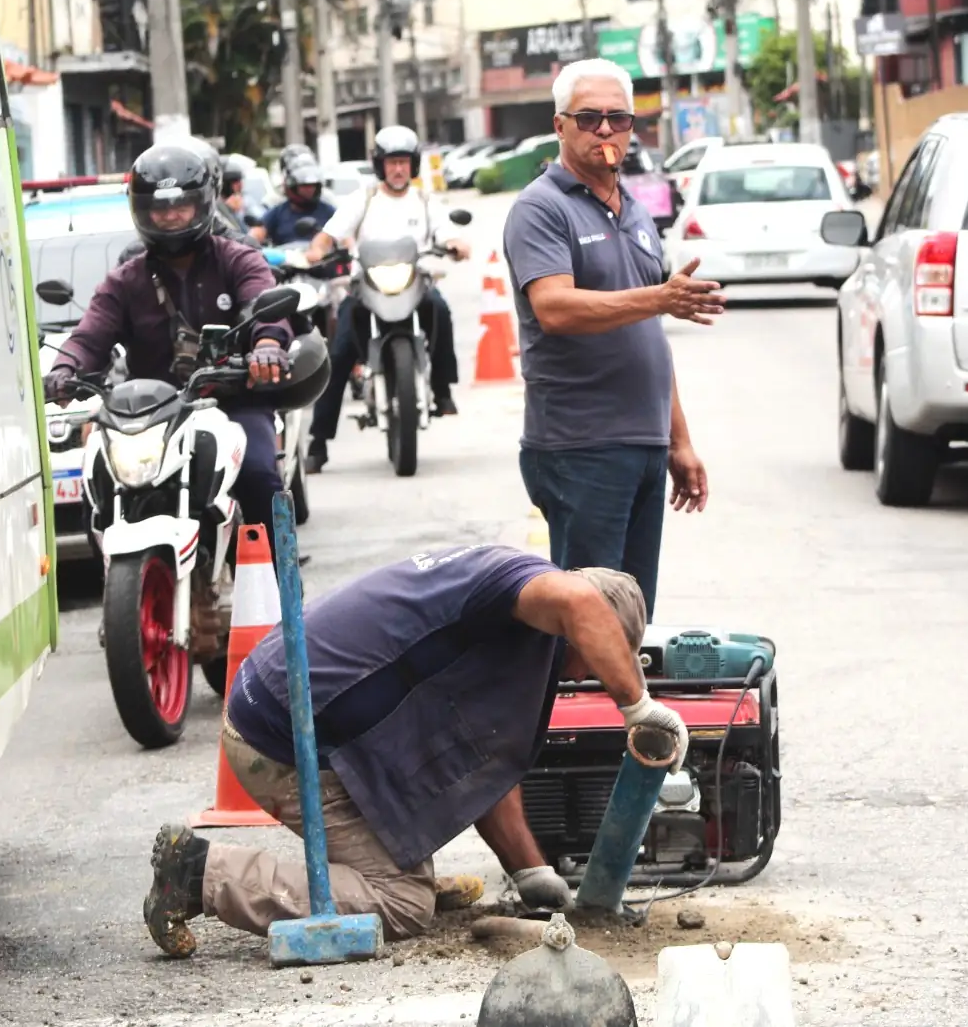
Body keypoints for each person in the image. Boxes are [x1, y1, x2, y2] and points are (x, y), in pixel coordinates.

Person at [140, 544, 690, 956]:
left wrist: (530, 873)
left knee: (409, 862)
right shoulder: (528, 588)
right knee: (403, 902)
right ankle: (201, 873)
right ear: (585, 630)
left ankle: (385, 867)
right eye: (598, 657)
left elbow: (481, 769)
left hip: (286, 705)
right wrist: (639, 706)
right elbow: (579, 601)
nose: (586, 676)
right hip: (283, 739)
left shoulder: (507, 615)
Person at [501, 58, 723, 619]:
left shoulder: (637, 213)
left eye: (618, 118)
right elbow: (554, 308)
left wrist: (678, 441)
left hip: (643, 444)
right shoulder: (541, 209)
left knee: (632, 615)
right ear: (559, 125)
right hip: (582, 447)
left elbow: (651, 336)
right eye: (589, 118)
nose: (605, 130)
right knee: (590, 619)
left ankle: (623, 686)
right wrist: (659, 299)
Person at [44, 143, 294, 545]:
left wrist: (266, 345)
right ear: (141, 211)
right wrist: (64, 369)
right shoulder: (126, 279)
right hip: (149, 416)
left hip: (233, 401)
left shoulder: (237, 258)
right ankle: (111, 569)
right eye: (160, 209)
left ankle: (281, 579)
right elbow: (91, 334)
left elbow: (263, 307)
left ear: (203, 204)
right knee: (102, 486)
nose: (171, 217)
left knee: (259, 473)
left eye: (181, 206)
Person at [301, 125, 471, 472]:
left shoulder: (426, 201)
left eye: (404, 162)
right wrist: (317, 249)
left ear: (413, 165)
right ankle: (318, 442)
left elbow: (447, 233)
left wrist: (455, 244)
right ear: (380, 165)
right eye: (392, 162)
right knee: (339, 352)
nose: (398, 169)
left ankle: (442, 390)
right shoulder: (363, 199)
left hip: (415, 283)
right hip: (366, 288)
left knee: (440, 309)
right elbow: (328, 235)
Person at [251, 158, 335, 246]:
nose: (310, 190)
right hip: (285, 254)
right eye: (304, 186)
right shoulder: (277, 213)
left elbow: (343, 238)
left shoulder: (329, 212)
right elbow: (257, 233)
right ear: (292, 187)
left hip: (322, 254)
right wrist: (253, 239)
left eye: (313, 185)